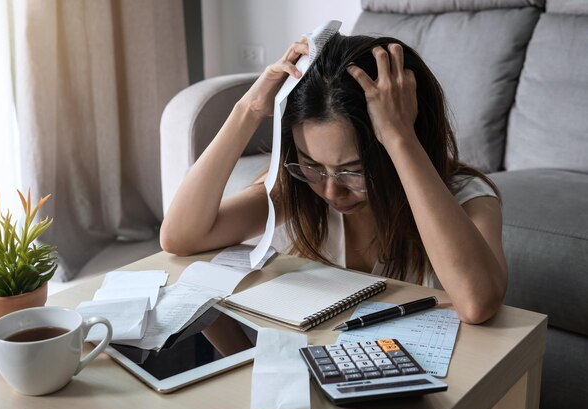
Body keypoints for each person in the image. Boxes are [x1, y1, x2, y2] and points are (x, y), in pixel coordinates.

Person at [160, 34, 508, 324]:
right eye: (311, 165)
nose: (330, 190)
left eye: (353, 171)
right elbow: (180, 238)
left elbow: (476, 303)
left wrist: (401, 138)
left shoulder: (468, 197)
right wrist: (248, 110)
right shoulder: (298, 190)